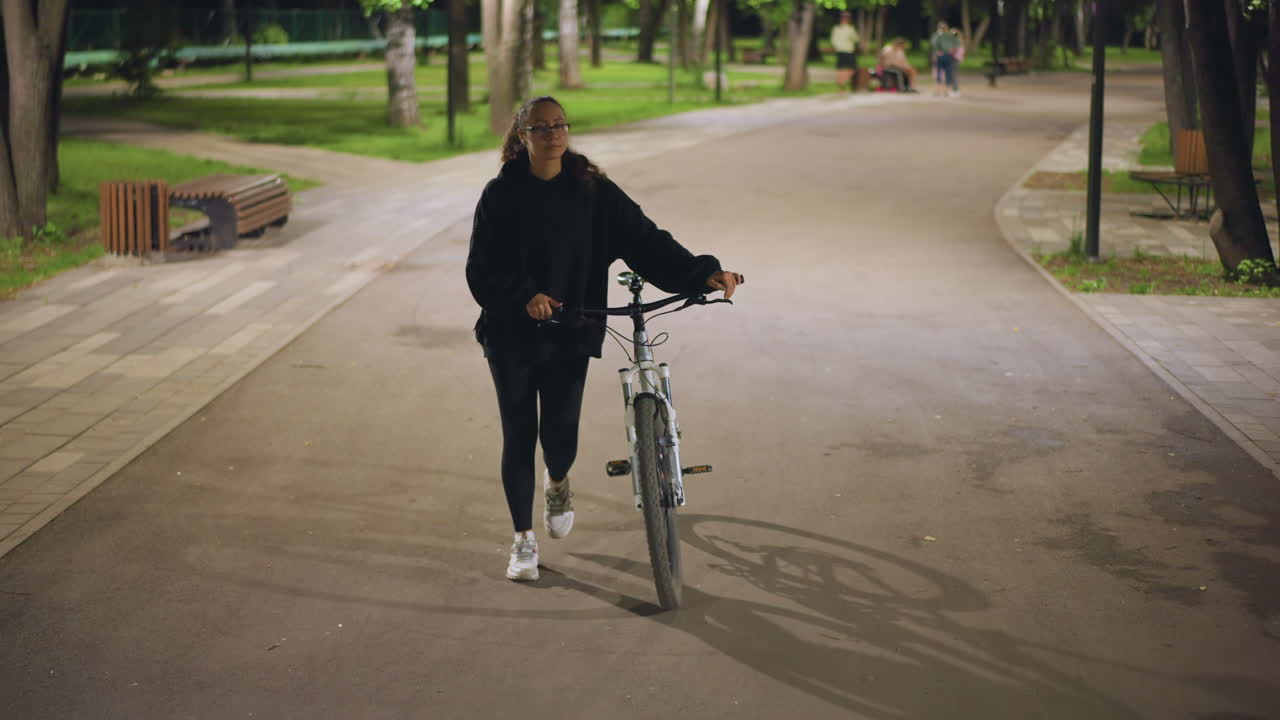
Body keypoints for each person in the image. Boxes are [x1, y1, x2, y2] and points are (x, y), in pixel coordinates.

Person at [466, 96, 745, 582]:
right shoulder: (500, 195)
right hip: (511, 333)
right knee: (519, 434)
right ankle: (523, 540)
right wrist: (523, 296)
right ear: (522, 136)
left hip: (571, 331)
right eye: (541, 127)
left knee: (560, 437)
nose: (553, 133)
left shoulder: (593, 192)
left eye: (559, 124)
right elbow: (480, 268)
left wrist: (701, 273)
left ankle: (558, 481)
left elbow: (646, 241)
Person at [830, 12, 861, 92]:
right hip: (848, 50)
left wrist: (837, 46)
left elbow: (833, 40)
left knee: (840, 68)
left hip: (839, 50)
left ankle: (841, 85)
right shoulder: (850, 29)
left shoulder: (836, 28)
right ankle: (843, 82)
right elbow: (856, 39)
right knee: (853, 68)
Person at [930, 21, 961, 97]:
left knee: (947, 73)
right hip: (941, 55)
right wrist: (937, 51)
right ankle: (939, 91)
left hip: (947, 55)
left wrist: (953, 50)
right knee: (940, 73)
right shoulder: (938, 35)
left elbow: (957, 41)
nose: (942, 29)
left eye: (943, 27)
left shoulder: (949, 34)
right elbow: (933, 43)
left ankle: (946, 91)